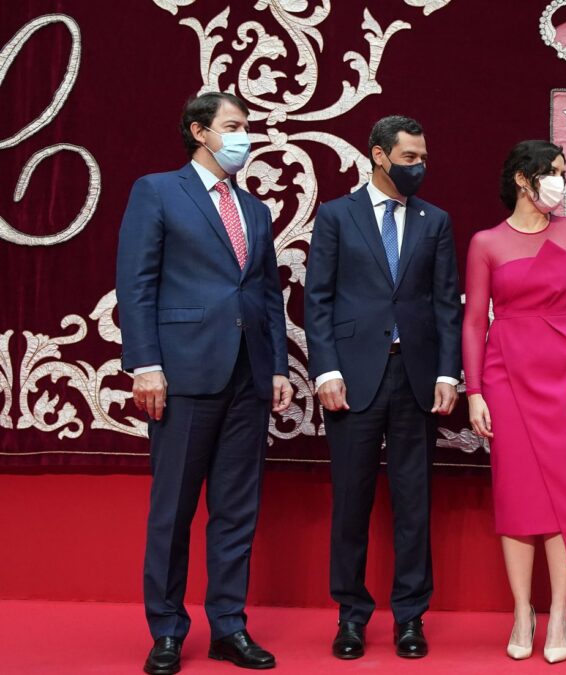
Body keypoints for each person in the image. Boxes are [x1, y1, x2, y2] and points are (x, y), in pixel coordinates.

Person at [117, 91, 293, 674]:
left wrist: (276, 367)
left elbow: (266, 293)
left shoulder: (255, 209)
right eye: (234, 126)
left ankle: (228, 628)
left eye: (247, 126)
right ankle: (166, 629)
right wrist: (146, 364)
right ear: (200, 131)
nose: (245, 136)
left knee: (237, 510)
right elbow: (137, 283)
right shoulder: (158, 191)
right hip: (184, 372)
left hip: (248, 374)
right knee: (172, 510)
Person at [304, 115, 462, 660]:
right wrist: (325, 370)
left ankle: (411, 618)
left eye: (423, 158)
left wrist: (448, 372)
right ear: (379, 155)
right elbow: (317, 299)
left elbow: (446, 303)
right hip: (351, 378)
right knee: (351, 502)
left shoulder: (435, 220)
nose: (419, 166)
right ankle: (350, 616)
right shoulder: (336, 216)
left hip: (416, 377)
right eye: (410, 157)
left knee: (413, 504)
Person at [462, 140, 566, 664]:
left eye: (564, 172)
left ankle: (560, 610)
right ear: (524, 178)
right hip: (506, 379)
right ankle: (524, 609)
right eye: (553, 172)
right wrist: (475, 390)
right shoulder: (486, 243)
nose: (561, 182)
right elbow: (475, 320)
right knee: (517, 496)